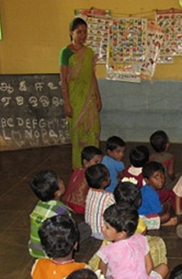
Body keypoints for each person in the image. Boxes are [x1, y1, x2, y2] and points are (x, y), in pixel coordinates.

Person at [97, 204, 169, 279]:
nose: (102, 228)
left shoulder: (106, 251)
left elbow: (101, 275)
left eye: (107, 227)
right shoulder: (141, 239)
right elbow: (149, 267)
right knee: (164, 267)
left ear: (121, 234)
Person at [87, 181, 168, 273]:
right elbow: (142, 235)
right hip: (133, 259)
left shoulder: (111, 221)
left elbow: (102, 267)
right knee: (157, 245)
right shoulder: (139, 223)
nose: (103, 228)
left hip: (113, 263)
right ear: (139, 202)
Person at [60, 17, 102, 170]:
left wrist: (98, 97)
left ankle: (95, 165)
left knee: (93, 130)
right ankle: (79, 168)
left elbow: (92, 77)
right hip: (75, 100)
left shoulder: (89, 53)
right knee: (78, 134)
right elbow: (63, 80)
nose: (83, 35)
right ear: (71, 32)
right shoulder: (65, 53)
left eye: (85, 32)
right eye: (79, 32)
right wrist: (67, 103)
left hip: (90, 99)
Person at [29, 170, 91, 258]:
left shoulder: (38, 206)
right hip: (51, 254)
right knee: (86, 228)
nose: (63, 181)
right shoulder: (61, 211)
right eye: (60, 181)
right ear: (57, 192)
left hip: (36, 251)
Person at [63, 146, 103, 214]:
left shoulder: (77, 171)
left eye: (100, 162)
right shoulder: (90, 175)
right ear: (86, 162)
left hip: (67, 202)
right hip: (80, 207)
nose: (99, 164)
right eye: (96, 162)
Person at [138, 161, 177, 226]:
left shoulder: (146, 189)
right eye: (156, 177)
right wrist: (165, 206)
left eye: (162, 176)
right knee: (167, 216)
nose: (161, 180)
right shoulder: (152, 194)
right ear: (147, 180)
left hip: (140, 216)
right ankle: (163, 225)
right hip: (143, 220)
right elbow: (159, 213)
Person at [85, 164, 115, 240]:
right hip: (102, 233)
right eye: (108, 176)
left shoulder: (90, 191)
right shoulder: (108, 197)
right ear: (103, 183)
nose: (109, 178)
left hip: (89, 230)